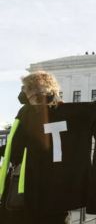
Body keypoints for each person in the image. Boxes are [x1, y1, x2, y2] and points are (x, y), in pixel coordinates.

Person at [0, 71, 70, 224]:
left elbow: (16, 150)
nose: (22, 92)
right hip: (58, 188)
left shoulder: (28, 112)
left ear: (34, 91)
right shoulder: (63, 111)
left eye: (24, 88)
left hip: (27, 189)